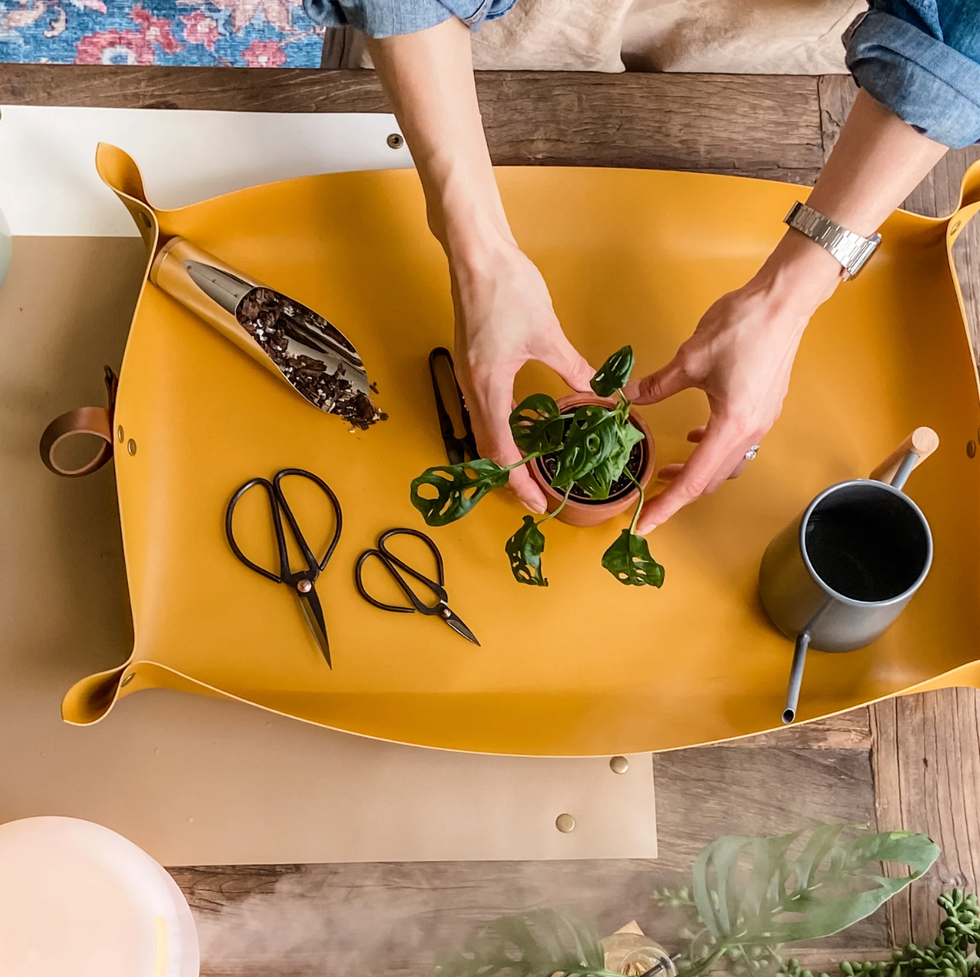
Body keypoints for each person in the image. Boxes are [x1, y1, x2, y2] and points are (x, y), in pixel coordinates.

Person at [305, 0, 978, 532]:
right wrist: (476, 251)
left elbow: (958, 38)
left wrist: (788, 295)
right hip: (473, 52)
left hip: (792, 68)